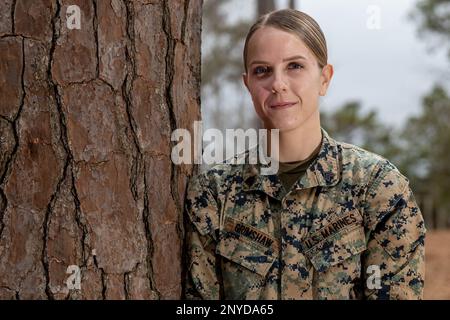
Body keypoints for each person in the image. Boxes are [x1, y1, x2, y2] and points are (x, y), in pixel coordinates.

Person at [184, 9, 425, 300]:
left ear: (325, 78)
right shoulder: (214, 192)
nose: (278, 84)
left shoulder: (378, 188)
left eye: (294, 66)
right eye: (263, 70)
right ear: (248, 85)